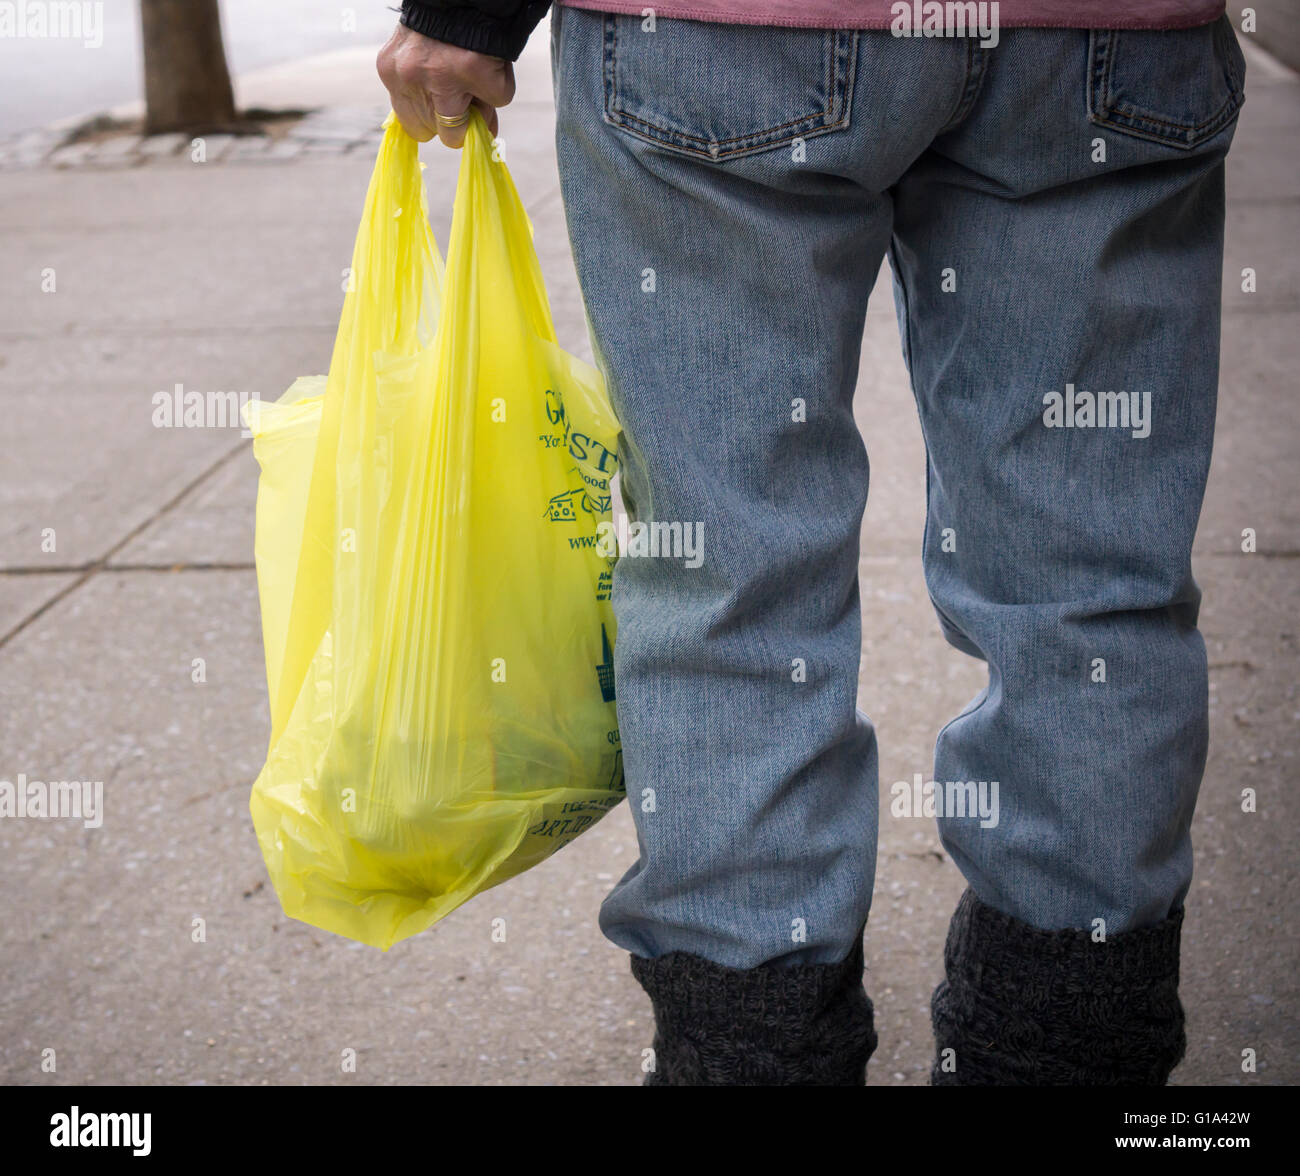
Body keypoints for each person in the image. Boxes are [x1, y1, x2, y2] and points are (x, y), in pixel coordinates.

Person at [378, 0, 1245, 1086]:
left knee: (731, 582)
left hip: (718, 41)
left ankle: (754, 1057)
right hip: (1108, 48)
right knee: (1092, 590)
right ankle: (1061, 1054)